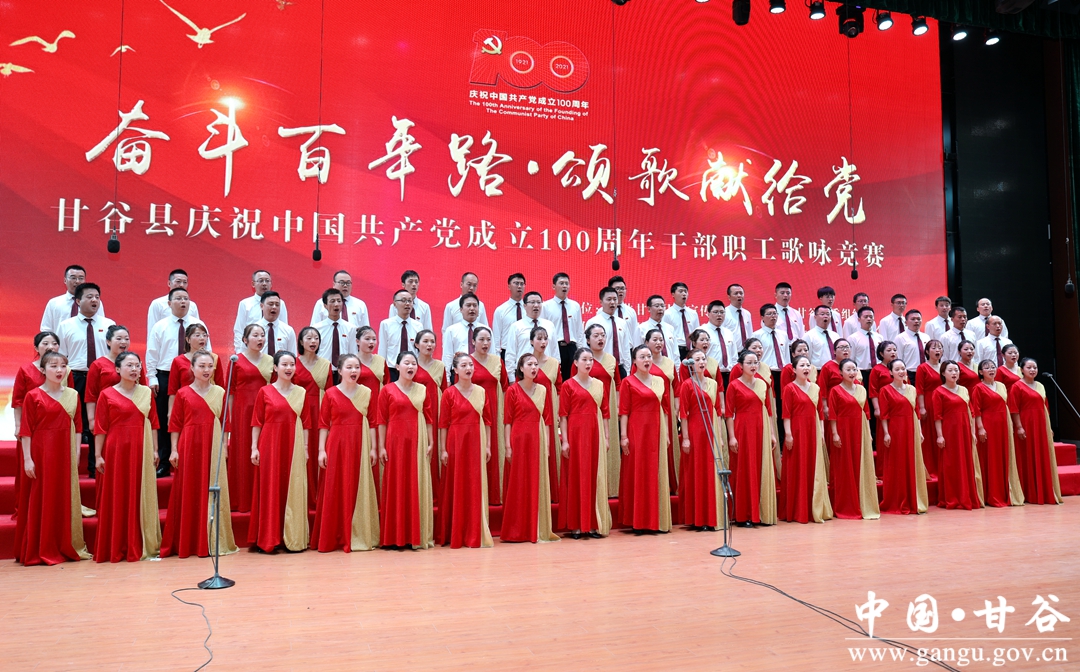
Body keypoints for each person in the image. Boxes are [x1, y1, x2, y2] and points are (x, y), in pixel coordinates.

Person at [15, 352, 92, 565]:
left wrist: (76, 452)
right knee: (42, 496)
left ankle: (62, 544)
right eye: (53, 366)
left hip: (64, 451)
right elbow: (26, 430)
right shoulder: (33, 396)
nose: (59, 370)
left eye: (63, 366)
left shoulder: (73, 395)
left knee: (61, 497)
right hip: (41, 452)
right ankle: (40, 547)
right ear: (42, 370)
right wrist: (27, 458)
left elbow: (78, 427)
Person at [160, 350, 237, 558]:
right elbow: (175, 424)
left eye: (210, 366)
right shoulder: (183, 393)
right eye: (201, 366)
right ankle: (190, 541)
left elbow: (225, 422)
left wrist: (224, 446)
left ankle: (212, 539)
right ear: (192, 368)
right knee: (190, 489)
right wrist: (174, 449)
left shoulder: (220, 392)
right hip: (189, 444)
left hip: (213, 444)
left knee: (213, 488)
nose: (206, 370)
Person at [93, 351, 162, 562]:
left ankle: (140, 543)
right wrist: (98, 455)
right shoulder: (106, 394)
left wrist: (155, 450)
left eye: (137, 365)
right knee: (118, 494)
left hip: (142, 448)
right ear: (117, 369)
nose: (134, 369)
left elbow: (154, 423)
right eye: (129, 365)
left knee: (139, 493)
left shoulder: (146, 393)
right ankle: (117, 544)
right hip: (116, 450)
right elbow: (100, 428)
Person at [311, 354, 380, 553]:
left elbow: (373, 423)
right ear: (340, 371)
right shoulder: (330, 394)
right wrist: (321, 450)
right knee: (336, 486)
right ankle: (335, 535)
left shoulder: (367, 393)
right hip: (337, 445)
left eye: (357, 367)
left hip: (360, 443)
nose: (354, 371)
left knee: (357, 485)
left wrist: (373, 448)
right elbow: (323, 424)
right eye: (349, 367)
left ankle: (358, 534)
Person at [250, 351, 309, 553]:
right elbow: (257, 421)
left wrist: (305, 448)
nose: (289, 368)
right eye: (284, 364)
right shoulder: (265, 391)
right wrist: (254, 447)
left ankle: (292, 537)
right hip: (270, 445)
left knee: (291, 487)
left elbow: (307, 423)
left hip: (294, 445)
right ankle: (269, 538)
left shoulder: (301, 392)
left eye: (292, 364)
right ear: (275, 367)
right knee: (270, 489)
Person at [377, 351, 437, 549]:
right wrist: (381, 446)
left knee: (415, 483)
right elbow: (381, 420)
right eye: (406, 363)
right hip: (395, 442)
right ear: (397, 367)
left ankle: (415, 535)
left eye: (413, 363)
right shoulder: (387, 390)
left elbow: (429, 418)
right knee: (396, 484)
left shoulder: (422, 390)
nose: (411, 366)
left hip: (417, 441)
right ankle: (394, 536)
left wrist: (431, 442)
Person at [146, 287, 208, 475]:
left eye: (186, 298)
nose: (183, 302)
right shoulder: (160, 326)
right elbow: (152, 352)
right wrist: (152, 377)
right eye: (179, 298)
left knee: (193, 418)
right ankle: (165, 461)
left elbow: (208, 351)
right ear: (169, 303)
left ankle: (192, 459)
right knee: (167, 417)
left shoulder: (198, 324)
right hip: (165, 375)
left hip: (194, 375)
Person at [436, 353, 494, 548]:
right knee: (456, 484)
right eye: (463, 365)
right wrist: (443, 450)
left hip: (476, 441)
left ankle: (475, 531)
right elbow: (443, 424)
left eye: (470, 365)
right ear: (455, 369)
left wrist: (487, 445)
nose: (468, 368)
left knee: (474, 484)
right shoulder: (449, 393)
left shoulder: (481, 392)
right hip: (455, 443)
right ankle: (456, 532)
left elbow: (488, 421)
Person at [501, 354, 560, 543]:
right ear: (521, 368)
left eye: (536, 364)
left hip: (537, 438)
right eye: (529, 364)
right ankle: (517, 529)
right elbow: (507, 421)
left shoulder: (543, 390)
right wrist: (508, 446)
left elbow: (548, 420)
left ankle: (537, 526)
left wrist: (548, 446)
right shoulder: (512, 390)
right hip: (518, 438)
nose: (534, 367)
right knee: (519, 482)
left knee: (536, 480)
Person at [56, 282, 115, 472]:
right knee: (75, 419)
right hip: (76, 376)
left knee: (99, 421)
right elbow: (61, 355)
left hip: (103, 376)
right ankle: (70, 465)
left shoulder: (109, 324)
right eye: (89, 297)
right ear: (78, 301)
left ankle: (95, 465)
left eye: (97, 297)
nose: (94, 300)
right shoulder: (65, 325)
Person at [557, 348, 612, 538]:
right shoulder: (568, 385)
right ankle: (576, 525)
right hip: (575, 433)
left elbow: (605, 414)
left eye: (591, 360)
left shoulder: (599, 385)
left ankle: (593, 524)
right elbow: (563, 416)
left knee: (594, 476)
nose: (588, 363)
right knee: (576, 476)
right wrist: (565, 441)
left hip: (594, 432)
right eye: (584, 360)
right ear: (575, 362)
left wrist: (606, 437)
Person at [618, 345, 672, 533]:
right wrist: (623, 436)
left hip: (656, 429)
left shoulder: (660, 381)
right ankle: (638, 521)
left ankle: (656, 520)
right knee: (638, 472)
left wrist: (666, 434)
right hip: (636, 430)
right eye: (642, 357)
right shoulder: (627, 382)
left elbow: (666, 409)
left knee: (655, 472)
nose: (647, 360)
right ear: (634, 361)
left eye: (649, 356)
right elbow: (624, 412)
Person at [12, 332, 67, 513]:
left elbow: (69, 400)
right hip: (32, 428)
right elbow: (18, 400)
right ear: (36, 348)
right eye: (45, 343)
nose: (50, 346)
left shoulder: (65, 370)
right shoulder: (26, 370)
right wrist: (18, 425)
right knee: (31, 470)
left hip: (58, 428)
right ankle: (29, 509)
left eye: (54, 343)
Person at [725, 350, 777, 526]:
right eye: (749, 363)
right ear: (741, 366)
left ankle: (760, 512)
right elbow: (729, 414)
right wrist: (732, 437)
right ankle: (743, 514)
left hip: (760, 430)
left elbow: (768, 411)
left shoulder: (763, 384)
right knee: (744, 469)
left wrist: (772, 434)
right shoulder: (734, 385)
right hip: (742, 430)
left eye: (756, 362)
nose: (753, 366)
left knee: (759, 467)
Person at [779, 355, 833, 524]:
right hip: (796, 431)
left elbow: (820, 413)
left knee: (812, 466)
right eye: (802, 365)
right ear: (794, 370)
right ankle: (797, 509)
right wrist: (788, 434)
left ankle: (814, 507)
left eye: (808, 365)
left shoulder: (815, 388)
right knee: (797, 467)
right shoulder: (789, 388)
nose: (806, 368)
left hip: (813, 431)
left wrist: (821, 432)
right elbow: (786, 414)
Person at [679, 350, 730, 530]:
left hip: (711, 430)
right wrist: (685, 438)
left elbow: (718, 412)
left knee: (711, 473)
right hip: (695, 431)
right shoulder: (686, 385)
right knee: (697, 472)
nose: (701, 362)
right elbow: (683, 414)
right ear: (690, 363)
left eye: (703, 359)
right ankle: (698, 518)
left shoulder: (713, 384)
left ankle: (711, 517)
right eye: (697, 359)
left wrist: (720, 437)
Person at [827, 358, 881, 520]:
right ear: (840, 372)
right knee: (844, 466)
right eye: (848, 369)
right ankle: (845, 505)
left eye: (854, 369)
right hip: (843, 430)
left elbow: (866, 413)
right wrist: (835, 434)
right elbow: (832, 415)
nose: (852, 372)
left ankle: (862, 501)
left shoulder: (861, 389)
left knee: (859, 463)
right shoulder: (835, 391)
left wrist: (868, 433)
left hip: (859, 429)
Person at [227, 324, 273, 513]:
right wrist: (231, 419)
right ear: (245, 339)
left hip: (265, 410)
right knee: (243, 451)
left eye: (262, 335)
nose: (260, 338)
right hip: (242, 412)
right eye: (255, 335)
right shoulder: (236, 360)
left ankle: (262, 499)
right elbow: (230, 393)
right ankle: (242, 499)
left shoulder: (270, 360)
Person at [877, 358, 929, 515]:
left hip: (911, 428)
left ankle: (913, 497)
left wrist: (919, 431)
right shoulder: (885, 390)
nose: (901, 372)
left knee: (911, 461)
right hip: (895, 429)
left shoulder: (911, 389)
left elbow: (916, 412)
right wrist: (886, 433)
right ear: (890, 372)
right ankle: (896, 499)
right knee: (897, 462)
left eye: (903, 368)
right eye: (897, 369)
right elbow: (884, 415)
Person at [1009, 358, 1064, 505]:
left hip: (1041, 424)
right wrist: (1019, 427)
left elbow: (1046, 408)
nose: (1032, 370)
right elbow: (1014, 409)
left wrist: (1049, 427)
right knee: (1027, 456)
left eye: (1035, 367)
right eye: (1029, 367)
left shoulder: (1040, 385)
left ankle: (1043, 490)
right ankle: (1029, 492)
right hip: (1026, 424)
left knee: (1042, 455)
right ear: (1022, 370)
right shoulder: (1016, 386)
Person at [970, 360, 1024, 508]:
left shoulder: (1001, 386)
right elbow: (976, 411)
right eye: (987, 368)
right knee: (990, 458)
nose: (991, 369)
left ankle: (1005, 492)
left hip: (1002, 425)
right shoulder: (978, 388)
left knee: (1002, 456)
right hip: (988, 425)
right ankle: (991, 494)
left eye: (993, 367)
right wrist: (980, 428)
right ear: (980, 372)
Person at [933, 361, 984, 510]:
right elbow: (937, 417)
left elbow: (972, 413)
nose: (954, 373)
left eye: (956, 370)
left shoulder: (964, 390)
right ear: (943, 373)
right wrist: (940, 435)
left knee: (966, 462)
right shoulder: (938, 392)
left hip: (964, 430)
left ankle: (966, 495)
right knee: (951, 463)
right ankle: (952, 497)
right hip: (949, 431)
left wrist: (973, 432)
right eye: (950, 370)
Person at [579, 324, 621, 496]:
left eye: (602, 335)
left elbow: (618, 384)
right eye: (595, 336)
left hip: (608, 407)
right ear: (588, 340)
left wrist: (617, 406)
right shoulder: (582, 360)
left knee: (609, 445)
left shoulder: (611, 360)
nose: (600, 338)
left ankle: (611, 487)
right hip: (587, 409)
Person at [469, 326, 508, 505]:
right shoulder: (467, 362)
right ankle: (476, 495)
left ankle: (495, 494)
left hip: (494, 410)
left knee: (495, 450)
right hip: (474, 413)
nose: (485, 343)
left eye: (488, 340)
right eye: (481, 340)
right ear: (473, 341)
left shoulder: (498, 361)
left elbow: (505, 387)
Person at [295, 327, 331, 510]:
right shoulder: (292, 363)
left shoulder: (326, 364)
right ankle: (300, 496)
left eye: (316, 338)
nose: (313, 341)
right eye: (308, 338)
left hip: (319, 409)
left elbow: (331, 392)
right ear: (301, 342)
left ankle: (320, 496)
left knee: (319, 450)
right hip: (298, 410)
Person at [357, 325, 390, 500]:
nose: (371, 342)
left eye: (373, 339)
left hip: (378, 409)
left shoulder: (380, 361)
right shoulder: (351, 361)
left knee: (379, 448)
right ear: (357, 341)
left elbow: (387, 385)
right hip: (359, 411)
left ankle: (380, 496)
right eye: (367, 339)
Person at [529, 326, 563, 502]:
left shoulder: (554, 363)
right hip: (531, 412)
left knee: (550, 448)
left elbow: (559, 389)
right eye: (539, 338)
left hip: (549, 409)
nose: (543, 342)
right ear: (531, 342)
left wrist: (557, 411)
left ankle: (550, 492)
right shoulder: (527, 362)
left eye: (545, 338)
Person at [413, 330, 447, 504]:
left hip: (436, 410)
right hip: (417, 411)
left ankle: (436, 492)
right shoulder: (411, 364)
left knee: (436, 446)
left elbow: (445, 390)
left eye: (432, 341)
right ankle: (419, 491)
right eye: (425, 341)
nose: (429, 345)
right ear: (416, 344)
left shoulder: (440, 366)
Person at [167, 324, 226, 416]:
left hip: (209, 403)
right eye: (197, 335)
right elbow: (173, 391)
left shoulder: (214, 358)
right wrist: (170, 414)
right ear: (188, 340)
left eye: (204, 335)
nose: (202, 338)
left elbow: (220, 386)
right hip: (186, 404)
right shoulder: (178, 361)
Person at [233, 270, 290, 352]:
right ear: (253, 284)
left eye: (267, 281)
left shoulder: (280, 303)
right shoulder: (245, 304)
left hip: (275, 349)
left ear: (271, 284)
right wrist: (240, 352)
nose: (264, 284)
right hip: (252, 351)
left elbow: (284, 327)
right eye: (260, 281)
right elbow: (239, 330)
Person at [541, 272, 584, 381]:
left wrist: (580, 351)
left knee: (573, 380)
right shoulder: (545, 306)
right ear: (553, 286)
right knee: (556, 380)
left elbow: (579, 331)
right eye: (561, 283)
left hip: (572, 348)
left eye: (566, 283)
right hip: (555, 347)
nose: (564, 286)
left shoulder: (575, 306)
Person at [506, 291, 557, 382]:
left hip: (547, 373)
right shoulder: (516, 326)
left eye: (539, 302)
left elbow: (555, 351)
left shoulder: (549, 325)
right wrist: (511, 379)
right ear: (524, 305)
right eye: (532, 302)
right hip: (524, 374)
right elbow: (510, 354)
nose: (536, 305)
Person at [40, 265, 107, 333]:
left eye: (81, 278)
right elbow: (46, 329)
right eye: (73, 278)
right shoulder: (54, 303)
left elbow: (100, 325)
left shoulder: (94, 302)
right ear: (65, 280)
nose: (77, 281)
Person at [312, 288, 358, 383]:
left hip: (344, 373)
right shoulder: (317, 328)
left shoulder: (350, 328)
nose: (336, 304)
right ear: (325, 305)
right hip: (322, 371)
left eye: (339, 301)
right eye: (332, 301)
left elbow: (353, 353)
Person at [585, 286, 632, 379]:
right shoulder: (593, 322)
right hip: (601, 366)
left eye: (615, 299)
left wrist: (627, 370)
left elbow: (626, 348)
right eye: (609, 299)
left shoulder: (622, 323)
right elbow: (585, 347)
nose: (612, 302)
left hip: (620, 367)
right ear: (601, 302)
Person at [915, 340, 945, 480]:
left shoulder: (945, 367)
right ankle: (930, 468)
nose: (937, 350)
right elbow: (919, 389)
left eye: (940, 347)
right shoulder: (922, 368)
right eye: (934, 348)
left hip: (944, 402)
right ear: (927, 352)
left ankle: (943, 466)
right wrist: (921, 407)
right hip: (929, 402)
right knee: (930, 435)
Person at [379, 290, 423, 381]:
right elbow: (382, 349)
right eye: (403, 300)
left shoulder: (418, 326)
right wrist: (381, 370)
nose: (407, 304)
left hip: (412, 370)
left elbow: (420, 351)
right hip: (392, 370)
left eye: (410, 301)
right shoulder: (386, 324)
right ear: (395, 304)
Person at [147, 269, 200, 339]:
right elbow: (152, 331)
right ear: (169, 283)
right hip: (166, 343)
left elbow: (197, 329)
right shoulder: (158, 304)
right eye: (178, 281)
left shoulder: (192, 305)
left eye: (185, 282)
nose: (181, 285)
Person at [491, 273, 527, 365]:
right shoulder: (500, 310)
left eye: (522, 284)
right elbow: (496, 337)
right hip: (507, 352)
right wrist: (497, 357)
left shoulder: (529, 309)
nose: (519, 286)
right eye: (516, 283)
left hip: (526, 351)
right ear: (509, 286)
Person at [442, 293, 484, 370]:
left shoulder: (485, 330)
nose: (472, 308)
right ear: (461, 309)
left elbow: (491, 355)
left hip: (481, 370)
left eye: (475, 305)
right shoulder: (451, 330)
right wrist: (447, 376)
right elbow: (447, 356)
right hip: (458, 372)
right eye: (468, 305)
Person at [663, 282, 700, 360]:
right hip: (676, 350)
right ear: (673, 294)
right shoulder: (667, 314)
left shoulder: (693, 313)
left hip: (691, 350)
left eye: (685, 291)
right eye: (680, 291)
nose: (684, 294)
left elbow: (697, 333)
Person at [701, 300, 736, 382]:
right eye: (715, 312)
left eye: (722, 312)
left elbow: (734, 357)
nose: (719, 315)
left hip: (728, 375)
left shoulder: (729, 333)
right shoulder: (701, 331)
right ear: (708, 314)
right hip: (709, 375)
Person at [638, 295, 679, 363]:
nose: (660, 308)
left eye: (662, 306)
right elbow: (638, 352)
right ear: (649, 309)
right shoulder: (641, 328)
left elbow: (675, 353)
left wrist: (677, 368)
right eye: (657, 306)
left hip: (669, 366)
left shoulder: (670, 328)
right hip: (651, 366)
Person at [818, 339, 851, 420]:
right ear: (834, 351)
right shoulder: (828, 367)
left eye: (847, 347)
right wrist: (825, 407)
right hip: (833, 403)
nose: (845, 349)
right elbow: (822, 388)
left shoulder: (853, 366)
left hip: (850, 403)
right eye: (841, 347)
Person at [255, 291, 296, 356]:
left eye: (277, 305)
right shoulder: (253, 329)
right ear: (262, 306)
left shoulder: (288, 330)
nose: (274, 307)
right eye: (271, 304)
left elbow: (293, 356)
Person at [848, 307, 883, 381]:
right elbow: (851, 359)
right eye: (866, 317)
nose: (869, 319)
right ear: (859, 319)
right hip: (861, 373)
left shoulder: (879, 337)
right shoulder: (853, 338)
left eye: (871, 317)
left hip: (878, 372)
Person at [895, 310, 929, 383]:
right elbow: (899, 358)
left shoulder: (926, 337)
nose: (916, 321)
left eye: (918, 319)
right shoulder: (900, 338)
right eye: (913, 319)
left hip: (926, 372)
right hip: (910, 373)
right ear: (906, 322)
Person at [868, 341, 897, 423]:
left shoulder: (900, 367)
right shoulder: (876, 369)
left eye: (895, 350)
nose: (893, 352)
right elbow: (873, 391)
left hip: (900, 402)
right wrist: (877, 408)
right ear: (881, 354)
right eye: (889, 350)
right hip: (884, 403)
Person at [804, 305, 840, 370]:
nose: (825, 316)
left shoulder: (835, 336)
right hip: (818, 370)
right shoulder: (809, 336)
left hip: (835, 370)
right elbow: (806, 357)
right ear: (815, 317)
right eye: (822, 314)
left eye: (828, 314)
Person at [608, 275, 641, 345]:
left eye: (622, 288)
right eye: (617, 288)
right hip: (610, 348)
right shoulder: (603, 311)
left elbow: (635, 334)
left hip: (629, 349)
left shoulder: (631, 311)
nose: (620, 291)